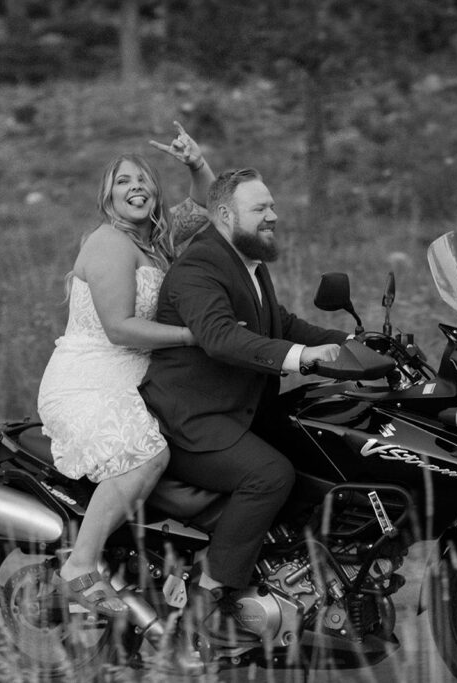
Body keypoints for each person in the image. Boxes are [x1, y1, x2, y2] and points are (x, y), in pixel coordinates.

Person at [138, 168, 347, 624]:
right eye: (261, 209)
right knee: (270, 474)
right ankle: (208, 594)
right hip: (190, 417)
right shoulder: (199, 266)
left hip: (236, 408)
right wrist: (302, 357)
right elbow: (219, 336)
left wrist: (355, 342)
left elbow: (281, 324)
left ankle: (287, 573)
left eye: (272, 206)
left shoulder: (248, 263)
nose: (274, 215)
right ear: (226, 215)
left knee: (320, 447)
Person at [37, 122, 216, 616]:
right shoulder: (109, 244)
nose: (135, 186)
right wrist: (191, 337)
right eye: (123, 181)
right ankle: (80, 565)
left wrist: (195, 164)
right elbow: (119, 328)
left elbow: (206, 206)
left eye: (143, 180)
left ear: (154, 194)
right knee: (146, 456)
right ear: (108, 197)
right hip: (90, 378)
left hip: (133, 376)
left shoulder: (154, 241)